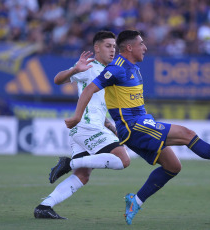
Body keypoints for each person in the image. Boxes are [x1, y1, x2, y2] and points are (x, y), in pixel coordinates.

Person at [64, 30, 210, 225]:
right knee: (188, 135)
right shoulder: (116, 68)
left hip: (140, 124)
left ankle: (136, 201)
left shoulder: (132, 67)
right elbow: (90, 88)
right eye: (141, 43)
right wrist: (77, 116)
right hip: (134, 127)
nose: (145, 47)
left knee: (173, 166)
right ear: (129, 47)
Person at [34, 31, 130, 219]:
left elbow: (95, 106)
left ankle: (44, 206)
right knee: (123, 160)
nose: (113, 50)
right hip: (87, 128)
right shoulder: (90, 66)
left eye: (114, 47)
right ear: (97, 48)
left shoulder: (107, 73)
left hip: (87, 129)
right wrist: (74, 70)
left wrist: (110, 126)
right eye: (108, 46)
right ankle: (69, 163)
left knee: (83, 175)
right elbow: (57, 79)